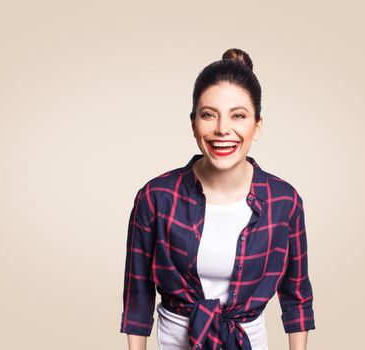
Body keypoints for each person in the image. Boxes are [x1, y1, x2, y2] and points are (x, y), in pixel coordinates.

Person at [120, 48, 316, 350]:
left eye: (238, 115)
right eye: (209, 115)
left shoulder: (284, 202)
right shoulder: (155, 197)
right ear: (193, 123)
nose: (223, 129)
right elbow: (137, 295)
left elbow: (297, 296)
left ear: (257, 125)